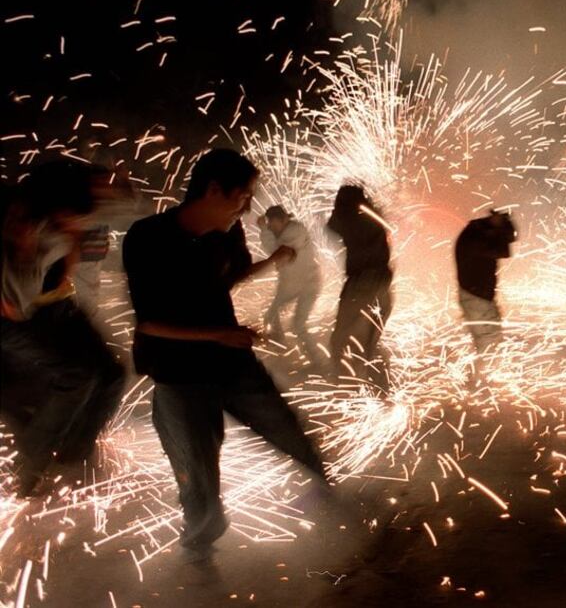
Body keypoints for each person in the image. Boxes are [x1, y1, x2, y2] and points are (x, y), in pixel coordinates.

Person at [123, 149, 328, 553]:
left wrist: (271, 263)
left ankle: (336, 501)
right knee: (198, 476)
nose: (248, 207)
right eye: (243, 196)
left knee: (286, 429)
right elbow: (149, 323)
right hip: (177, 373)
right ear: (213, 189)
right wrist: (218, 334)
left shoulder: (226, 235)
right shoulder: (148, 237)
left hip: (231, 361)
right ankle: (199, 569)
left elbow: (229, 279)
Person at [1, 161, 125, 497]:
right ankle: (32, 460)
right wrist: (29, 250)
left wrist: (71, 241)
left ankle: (72, 454)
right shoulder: (24, 223)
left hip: (53, 304)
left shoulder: (63, 218)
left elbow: (66, 257)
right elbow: (18, 304)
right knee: (76, 377)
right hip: (15, 317)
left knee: (111, 375)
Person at [326, 184, 393, 394]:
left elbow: (332, 224)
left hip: (362, 283)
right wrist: (367, 202)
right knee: (370, 339)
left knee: (341, 338)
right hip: (383, 283)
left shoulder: (349, 221)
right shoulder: (373, 219)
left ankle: (345, 387)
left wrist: (347, 202)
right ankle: (381, 388)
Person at [258, 205, 323, 368]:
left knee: (298, 325)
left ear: (283, 219)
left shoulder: (296, 230)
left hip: (308, 285)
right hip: (291, 286)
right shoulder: (281, 232)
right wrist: (266, 230)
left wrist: (264, 230)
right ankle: (281, 352)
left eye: (273, 224)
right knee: (270, 316)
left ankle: (318, 362)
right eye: (270, 225)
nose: (272, 228)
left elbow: (277, 252)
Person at [454, 210, 517, 351]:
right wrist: (500, 226)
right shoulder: (475, 238)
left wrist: (499, 226)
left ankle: (483, 371)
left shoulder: (476, 232)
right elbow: (503, 250)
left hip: (477, 298)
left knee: (489, 343)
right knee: (489, 345)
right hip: (476, 299)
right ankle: (483, 372)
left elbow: (510, 239)